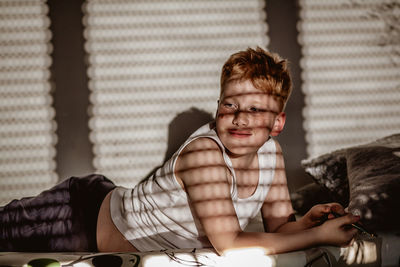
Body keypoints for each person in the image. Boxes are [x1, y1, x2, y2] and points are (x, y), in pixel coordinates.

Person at [0, 47, 360, 254]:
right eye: (231, 106)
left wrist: (305, 224)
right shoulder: (204, 155)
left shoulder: (272, 155)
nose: (240, 119)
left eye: (255, 110)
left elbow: (277, 229)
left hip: (102, 205)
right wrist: (317, 237)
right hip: (77, 216)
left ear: (277, 123)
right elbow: (230, 245)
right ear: (219, 105)